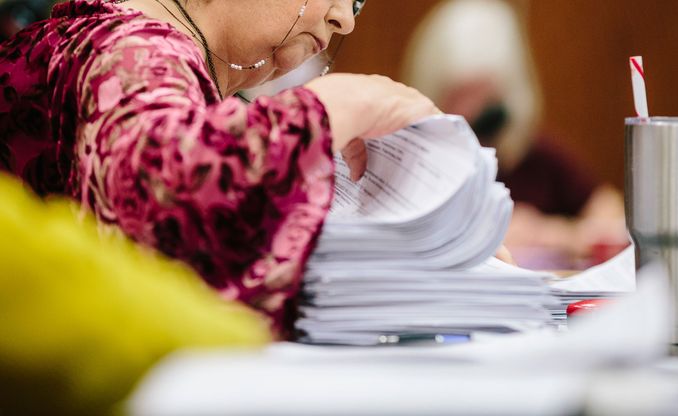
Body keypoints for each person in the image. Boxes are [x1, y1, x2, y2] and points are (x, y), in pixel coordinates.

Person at [0, 0, 438, 334]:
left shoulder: (113, 36)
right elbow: (161, 214)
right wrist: (339, 106)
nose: (347, 18)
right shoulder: (133, 46)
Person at [402, 0, 627, 269]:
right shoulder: (412, 160)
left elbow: (610, 218)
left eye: (481, 93)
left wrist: (550, 233)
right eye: (457, 93)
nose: (469, 110)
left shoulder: (536, 155)